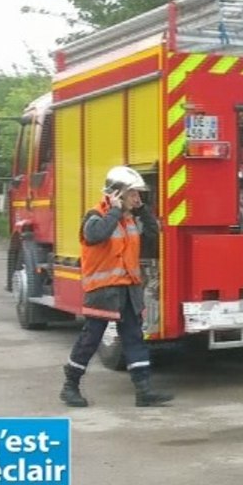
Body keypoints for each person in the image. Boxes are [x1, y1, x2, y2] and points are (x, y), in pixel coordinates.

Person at [59, 166, 174, 408]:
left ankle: (144, 391)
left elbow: (152, 235)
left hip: (128, 291)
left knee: (134, 339)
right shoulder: (94, 216)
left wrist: (142, 209)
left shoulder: (130, 219)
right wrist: (114, 210)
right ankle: (70, 387)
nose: (137, 198)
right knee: (90, 339)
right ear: (118, 194)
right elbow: (96, 236)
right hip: (104, 291)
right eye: (133, 194)